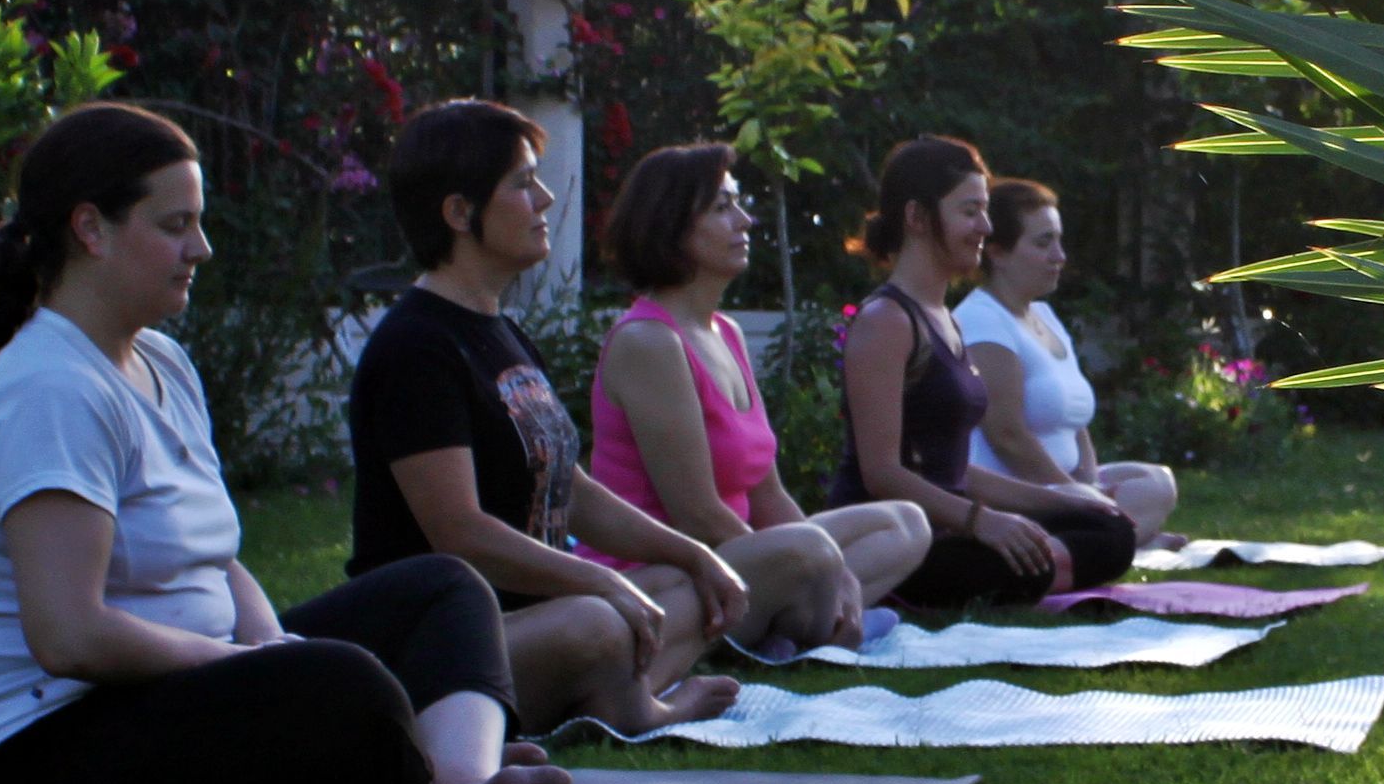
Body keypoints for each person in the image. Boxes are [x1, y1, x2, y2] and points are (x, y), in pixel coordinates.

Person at [0, 102, 563, 784]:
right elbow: (70, 637)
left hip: (180, 683)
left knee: (444, 590)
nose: (201, 248)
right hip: (44, 748)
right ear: (90, 229)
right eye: (175, 226)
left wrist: (268, 647)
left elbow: (217, 558)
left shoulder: (161, 361)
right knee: (341, 683)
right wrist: (241, 665)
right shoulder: (52, 389)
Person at [345, 98, 747, 735]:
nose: (544, 200)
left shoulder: (501, 331)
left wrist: (696, 554)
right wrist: (600, 583)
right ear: (458, 212)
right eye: (521, 183)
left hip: (539, 619)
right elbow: (459, 530)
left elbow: (574, 491)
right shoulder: (415, 348)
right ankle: (627, 701)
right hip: (445, 644)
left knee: (684, 584)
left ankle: (599, 689)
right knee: (599, 620)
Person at [586, 142, 933, 646]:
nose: (745, 221)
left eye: (739, 204)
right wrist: (814, 564)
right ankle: (799, 623)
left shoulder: (724, 332)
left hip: (742, 555)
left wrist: (837, 572)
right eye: (723, 208)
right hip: (667, 574)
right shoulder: (649, 342)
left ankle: (800, 624)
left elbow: (766, 494)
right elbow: (697, 515)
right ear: (671, 225)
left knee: (906, 523)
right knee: (810, 551)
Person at [830, 134, 1142, 605]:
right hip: (900, 541)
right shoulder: (887, 321)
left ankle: (1039, 564)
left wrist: (1065, 497)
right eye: (970, 211)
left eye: (985, 210)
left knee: (1106, 525)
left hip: (955, 522)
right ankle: (1023, 571)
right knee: (1048, 554)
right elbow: (882, 475)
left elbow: (955, 471)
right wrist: (983, 521)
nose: (985, 226)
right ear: (916, 217)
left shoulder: (946, 319)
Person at [957, 177, 1182, 545]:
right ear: (997, 252)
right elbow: (1006, 436)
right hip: (1017, 497)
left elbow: (1076, 425)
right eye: (1044, 243)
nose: (1059, 256)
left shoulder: (1045, 317)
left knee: (1157, 482)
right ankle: (1114, 538)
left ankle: (1116, 536)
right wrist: (1070, 495)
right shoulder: (983, 321)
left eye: (1059, 241)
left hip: (1064, 486)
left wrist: (1089, 483)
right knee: (1111, 504)